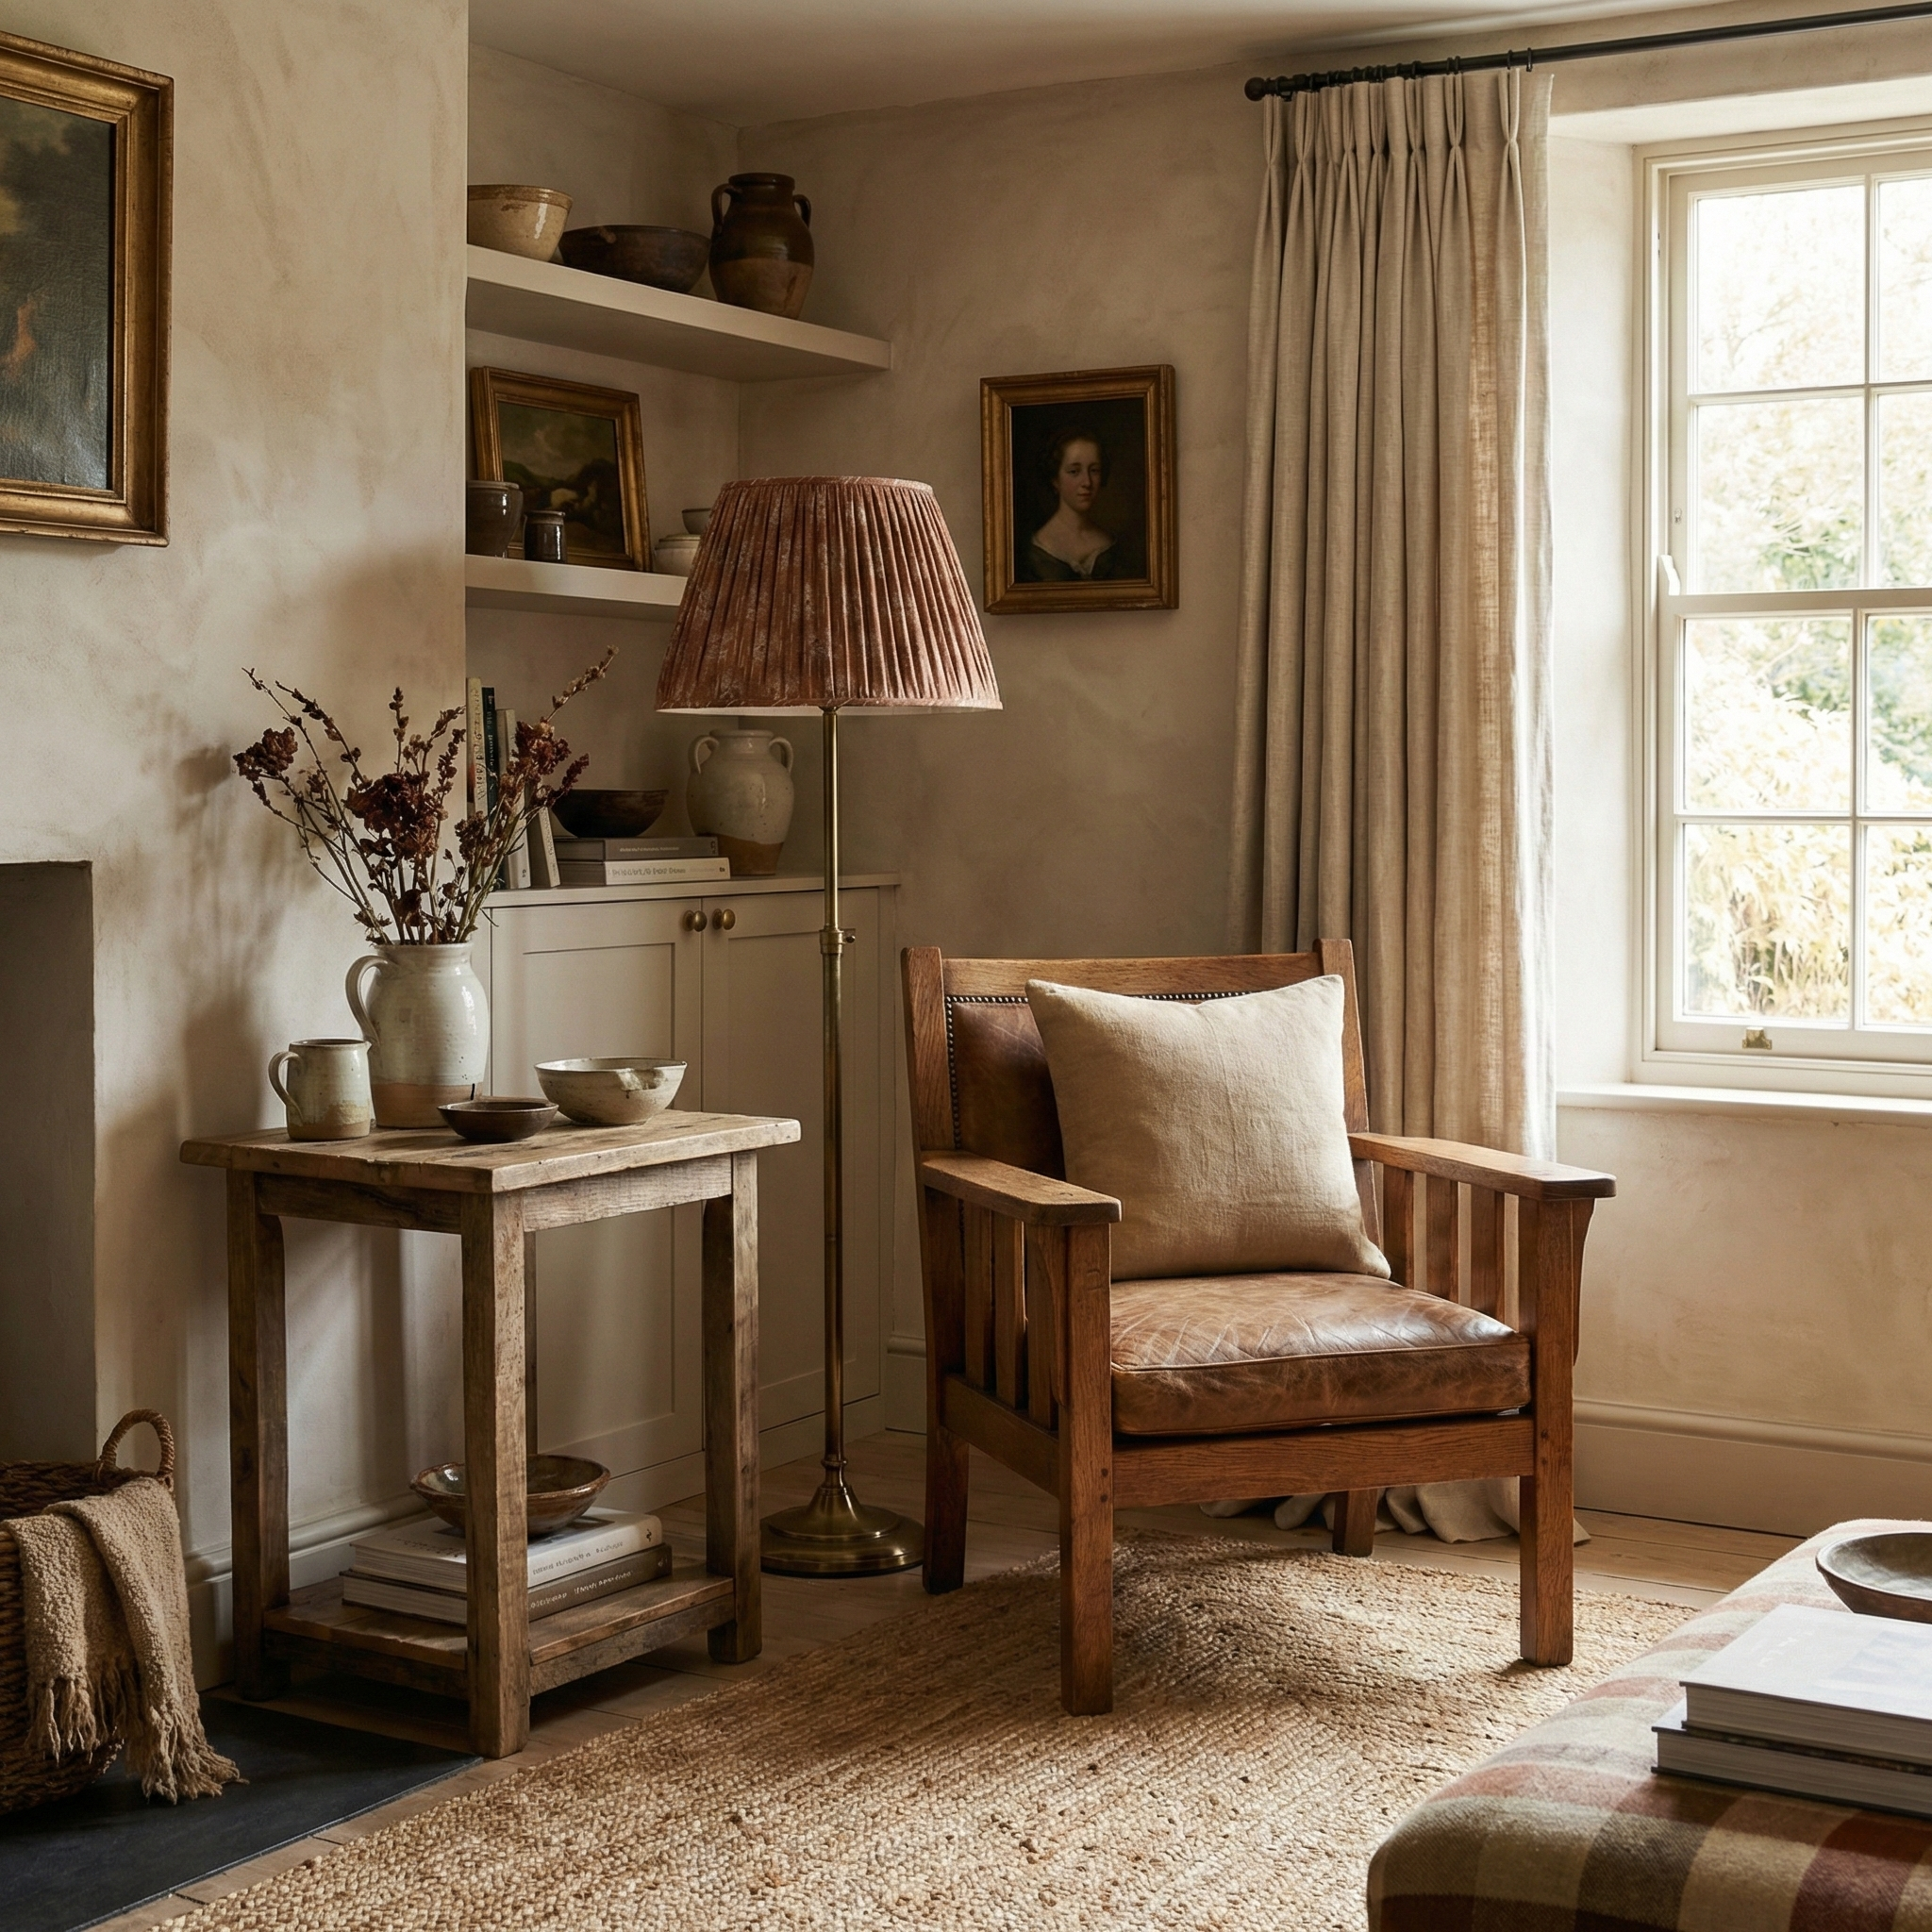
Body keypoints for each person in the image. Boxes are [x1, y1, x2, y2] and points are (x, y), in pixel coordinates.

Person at [1018, 425, 1144, 582]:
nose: (1087, 482)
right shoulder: (1036, 553)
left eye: (1094, 470)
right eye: (1074, 471)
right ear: (1055, 479)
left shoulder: (1111, 547)